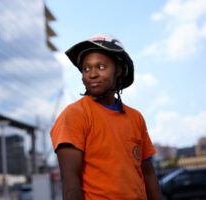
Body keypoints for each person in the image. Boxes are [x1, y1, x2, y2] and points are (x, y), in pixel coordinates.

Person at [50, 33, 162, 200]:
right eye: (86, 68)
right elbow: (70, 181)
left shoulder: (136, 117)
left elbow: (149, 174)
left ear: (119, 70)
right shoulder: (74, 115)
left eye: (101, 67)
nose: (92, 74)